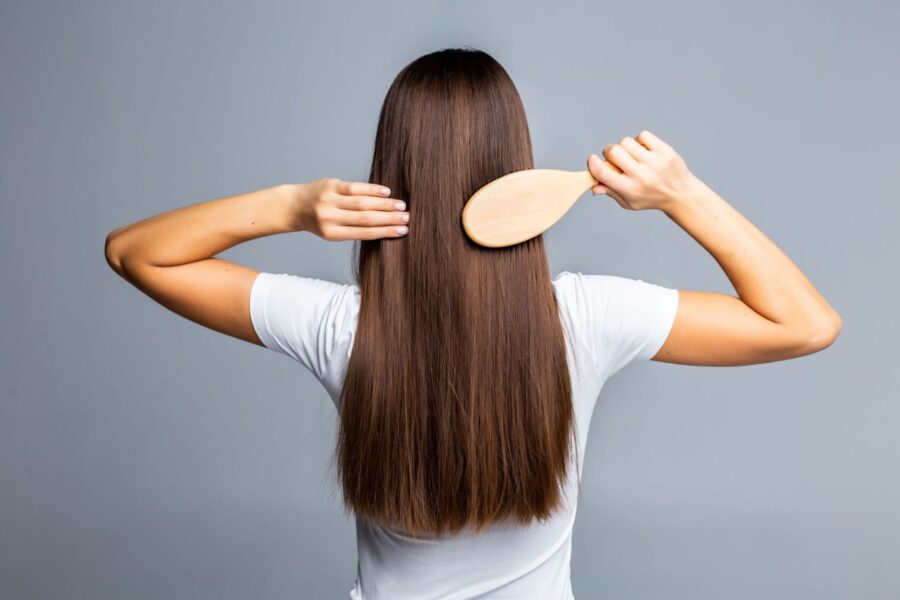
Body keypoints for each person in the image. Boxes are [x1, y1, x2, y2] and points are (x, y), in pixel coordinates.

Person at [104, 48, 841, 600]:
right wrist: (682, 194)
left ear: (391, 169)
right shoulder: (583, 318)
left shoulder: (344, 327)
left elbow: (137, 255)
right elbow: (804, 324)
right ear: (513, 163)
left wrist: (293, 206)